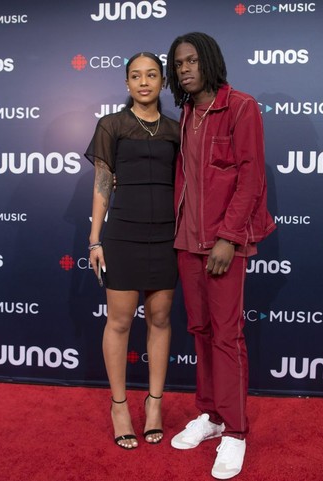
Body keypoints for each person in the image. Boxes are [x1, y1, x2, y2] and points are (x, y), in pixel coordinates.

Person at [166, 32, 276, 479]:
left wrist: (229, 237)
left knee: (227, 336)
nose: (185, 69)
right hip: (186, 243)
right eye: (179, 64)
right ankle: (209, 416)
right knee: (200, 330)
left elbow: (251, 177)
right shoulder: (187, 111)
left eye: (192, 61)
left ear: (209, 61)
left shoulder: (241, 106)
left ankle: (235, 432)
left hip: (223, 242)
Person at [85, 52, 180, 449]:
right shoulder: (113, 125)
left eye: (152, 75)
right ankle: (120, 406)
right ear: (127, 84)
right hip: (123, 234)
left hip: (167, 238)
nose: (144, 82)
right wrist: (95, 239)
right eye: (136, 76)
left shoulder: (177, 130)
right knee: (120, 322)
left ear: (162, 82)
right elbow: (103, 182)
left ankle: (154, 405)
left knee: (159, 319)